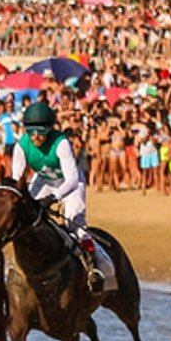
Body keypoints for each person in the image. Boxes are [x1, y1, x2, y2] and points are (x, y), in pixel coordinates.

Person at [10, 98, 104, 289]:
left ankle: (92, 267)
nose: (36, 137)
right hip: (43, 181)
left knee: (74, 223)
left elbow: (71, 179)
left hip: (70, 184)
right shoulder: (21, 146)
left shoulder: (61, 143)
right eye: (31, 132)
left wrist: (53, 198)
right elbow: (16, 181)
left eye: (41, 132)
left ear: (50, 129)